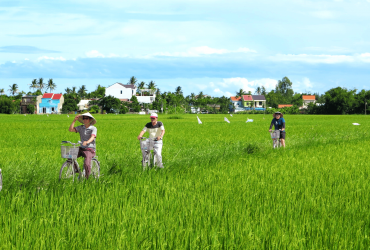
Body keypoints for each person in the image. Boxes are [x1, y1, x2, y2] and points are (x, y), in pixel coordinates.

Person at [68, 112, 97, 178]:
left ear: (90, 120)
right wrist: (74, 120)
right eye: (84, 118)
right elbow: (70, 130)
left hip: (90, 149)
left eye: (86, 118)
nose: (85, 120)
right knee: (69, 155)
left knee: (86, 163)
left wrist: (87, 142)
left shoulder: (93, 128)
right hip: (82, 147)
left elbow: (92, 137)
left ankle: (87, 178)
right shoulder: (81, 127)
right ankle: (76, 170)